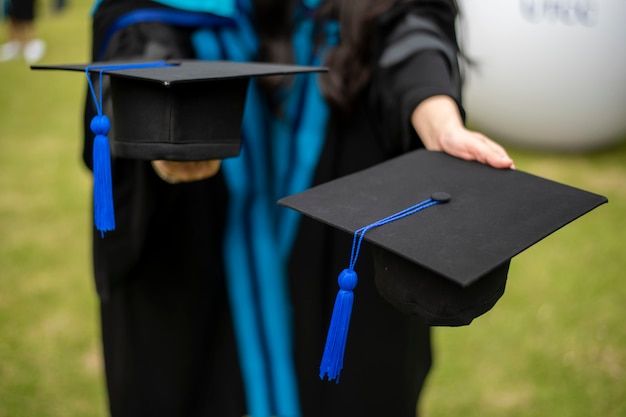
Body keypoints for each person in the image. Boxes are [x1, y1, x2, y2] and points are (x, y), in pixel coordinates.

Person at [83, 1, 514, 417]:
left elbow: (411, 29)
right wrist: (165, 126)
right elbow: (137, 31)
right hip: (197, 243)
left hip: (340, 233)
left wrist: (437, 117)